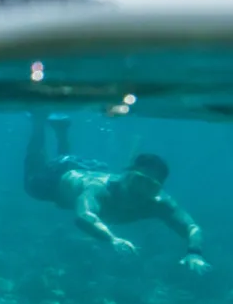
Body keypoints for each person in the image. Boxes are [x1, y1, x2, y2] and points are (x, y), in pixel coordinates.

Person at [22, 114, 208, 272]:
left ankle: (61, 130)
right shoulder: (100, 188)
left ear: (158, 188)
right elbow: (84, 216)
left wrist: (194, 252)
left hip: (82, 171)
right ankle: (38, 122)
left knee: (64, 162)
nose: (141, 190)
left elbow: (191, 227)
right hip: (57, 180)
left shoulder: (158, 203)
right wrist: (112, 239)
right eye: (138, 180)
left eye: (150, 185)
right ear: (126, 176)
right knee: (32, 182)